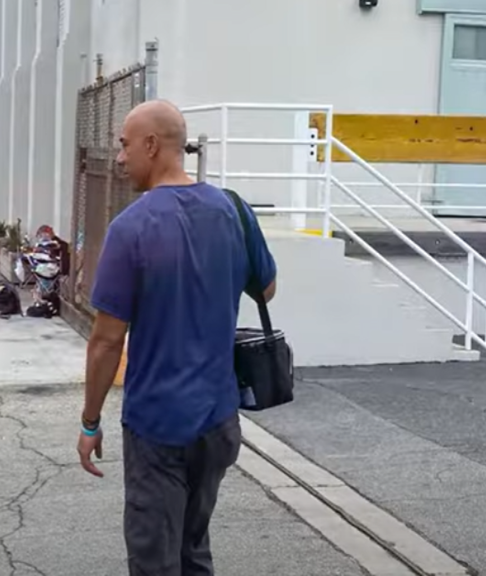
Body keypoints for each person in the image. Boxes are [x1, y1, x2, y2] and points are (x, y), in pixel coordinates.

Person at [76, 100, 277, 576]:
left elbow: (106, 341)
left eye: (125, 145)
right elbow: (266, 287)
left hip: (158, 425)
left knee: (154, 561)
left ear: (152, 145)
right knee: (192, 549)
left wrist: (89, 422)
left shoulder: (131, 229)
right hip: (218, 423)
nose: (120, 158)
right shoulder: (233, 210)